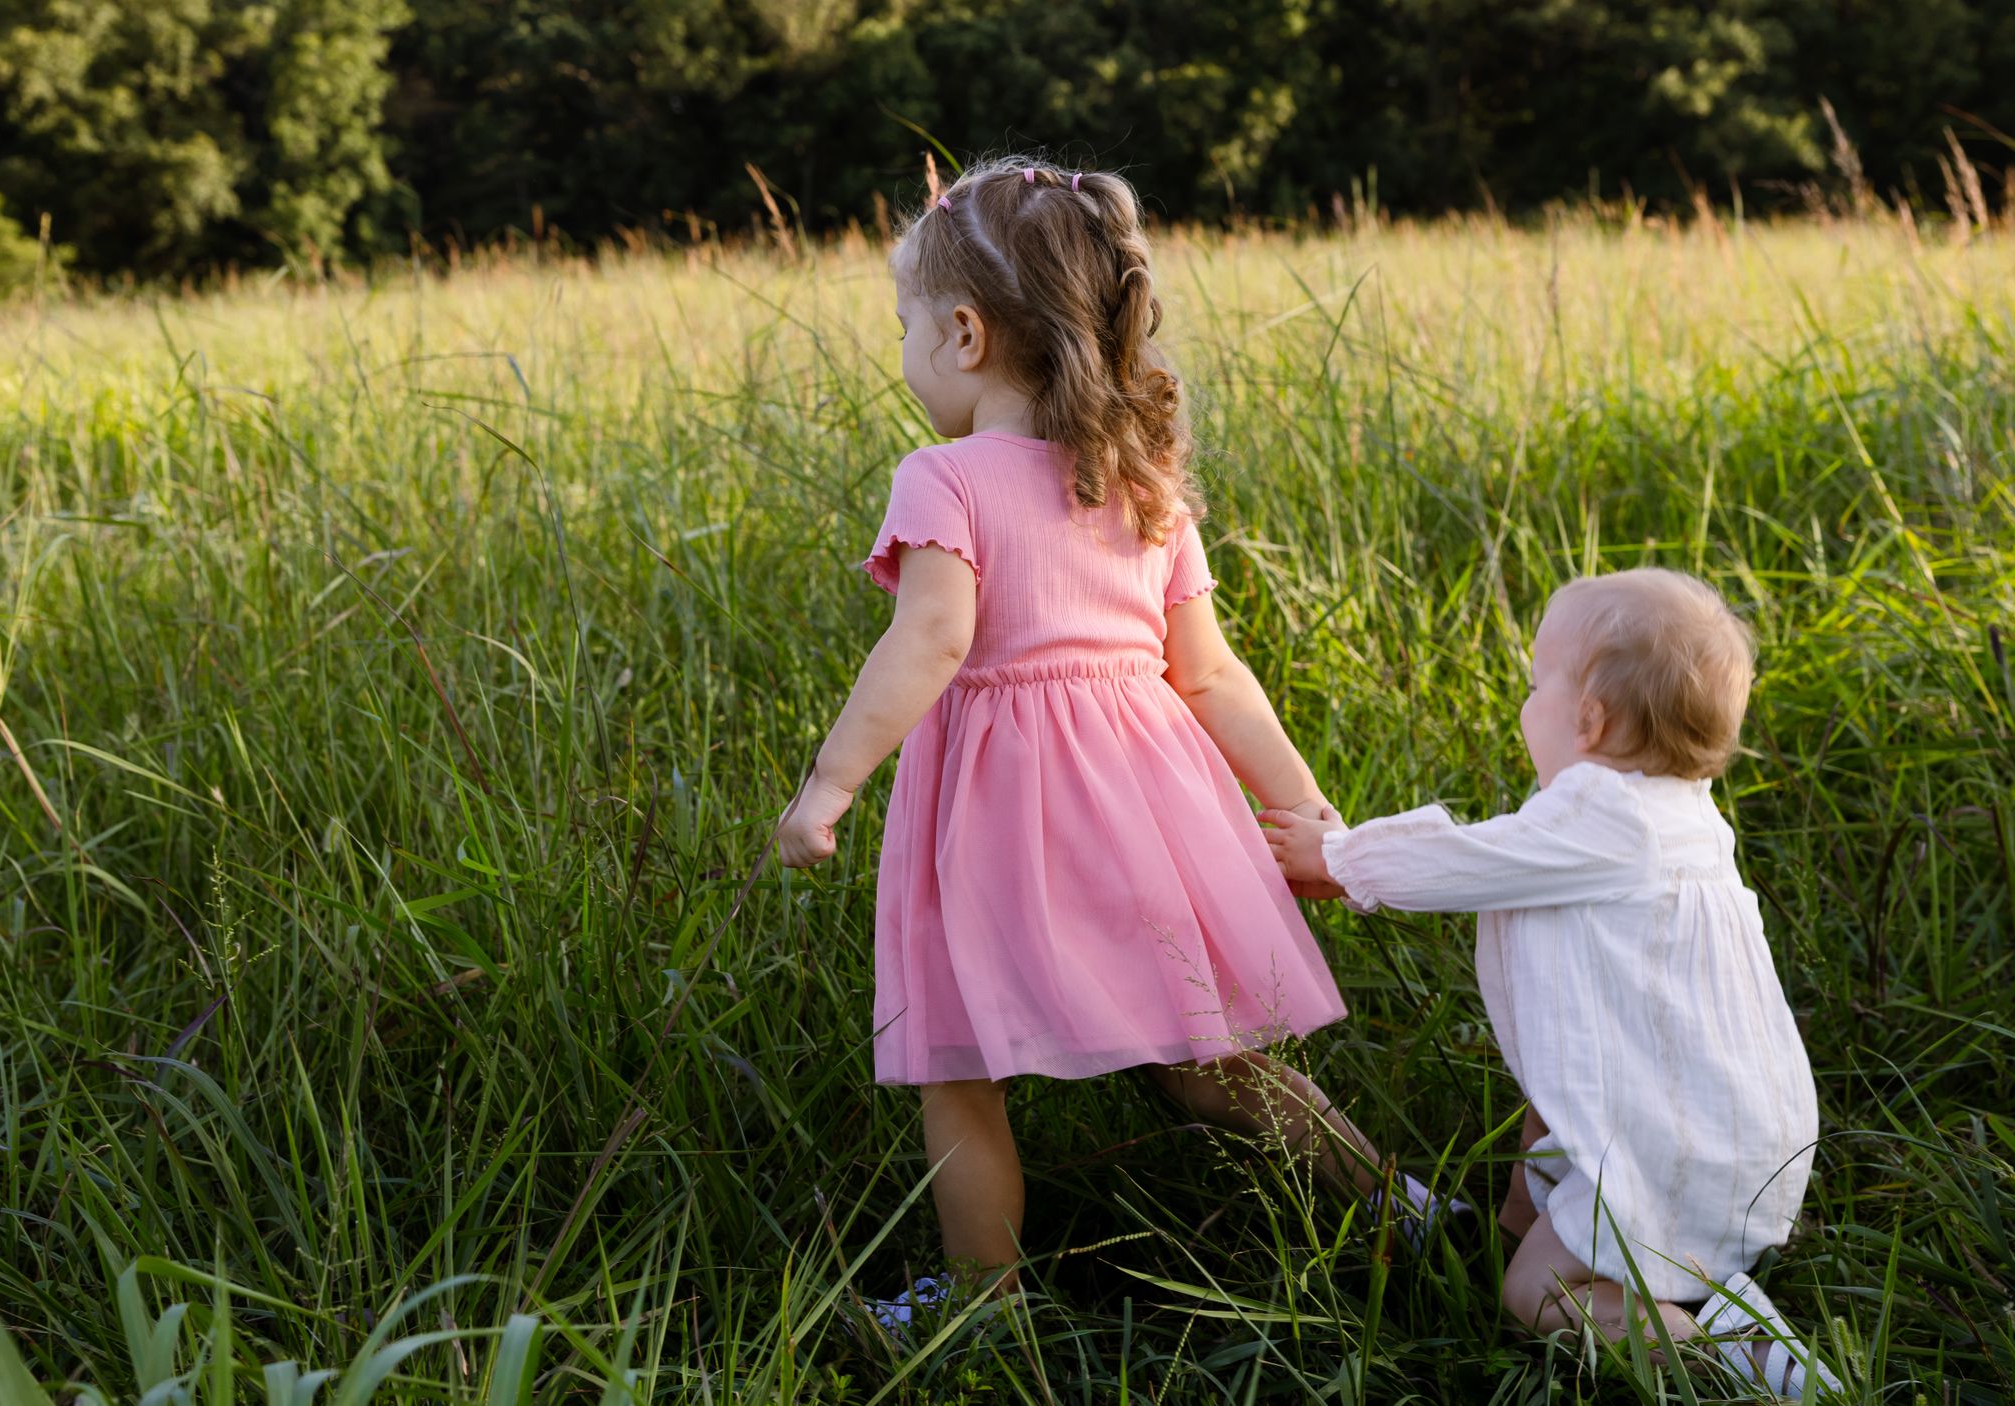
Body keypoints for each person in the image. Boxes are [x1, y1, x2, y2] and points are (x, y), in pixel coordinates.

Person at [774, 156, 1459, 1328]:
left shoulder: (941, 477)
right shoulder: (1141, 483)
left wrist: (827, 782)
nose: (902, 354)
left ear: (963, 332)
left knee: (957, 1065)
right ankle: (1407, 1211)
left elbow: (930, 641)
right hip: (1146, 810)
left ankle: (983, 1301)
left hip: (993, 822)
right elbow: (1213, 674)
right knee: (1211, 1060)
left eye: (902, 327)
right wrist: (1309, 815)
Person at [1263, 568, 1836, 1397]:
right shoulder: (1689, 816)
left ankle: (1727, 1353)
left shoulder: (1604, 815)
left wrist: (1343, 857)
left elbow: (1466, 858)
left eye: (1535, 685)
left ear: (1590, 719)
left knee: (1535, 1296)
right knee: (1557, 1183)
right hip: (1730, 1125)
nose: (1525, 703)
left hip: (1671, 1143)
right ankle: (1696, 1286)